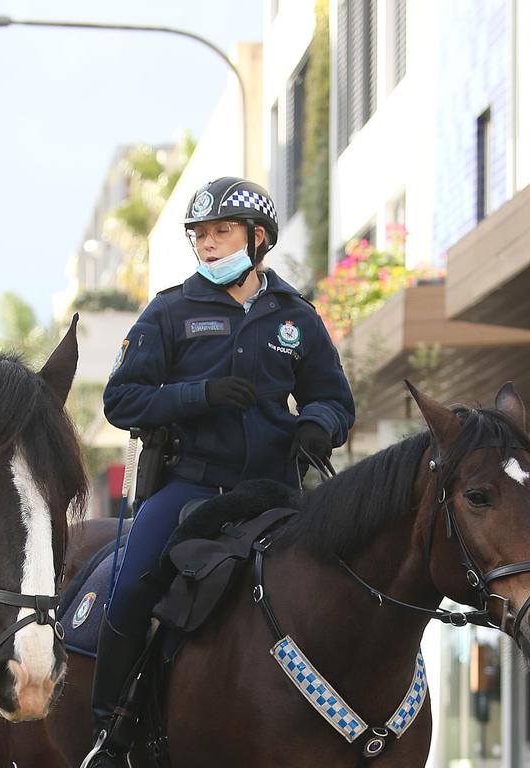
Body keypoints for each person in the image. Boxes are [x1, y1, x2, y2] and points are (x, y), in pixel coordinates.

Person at [84, 177, 355, 767]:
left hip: (276, 495)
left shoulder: (298, 318)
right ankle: (109, 733)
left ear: (258, 240)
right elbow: (121, 401)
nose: (207, 245)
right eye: (199, 236)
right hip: (191, 487)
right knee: (129, 588)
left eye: (221, 233)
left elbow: (336, 400)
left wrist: (317, 424)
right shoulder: (169, 311)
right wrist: (198, 395)